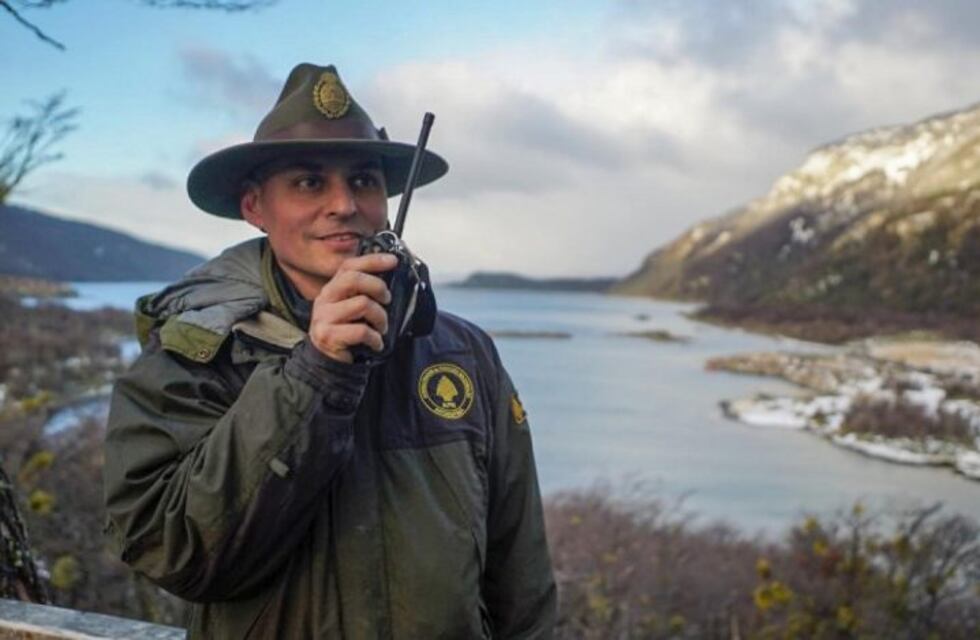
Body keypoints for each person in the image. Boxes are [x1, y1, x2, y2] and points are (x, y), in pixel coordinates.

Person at [102, 63, 557, 639]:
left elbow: (521, 572)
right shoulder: (194, 356)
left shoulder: (462, 355)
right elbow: (170, 549)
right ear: (254, 207)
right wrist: (314, 374)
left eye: (364, 180)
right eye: (309, 183)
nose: (344, 203)